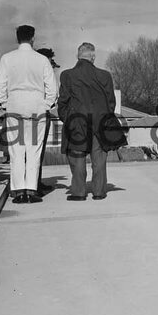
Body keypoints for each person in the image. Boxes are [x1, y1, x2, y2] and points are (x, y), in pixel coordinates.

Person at [0, 25, 57, 204]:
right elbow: (52, 88)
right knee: (34, 150)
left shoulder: (7, 58)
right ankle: (31, 189)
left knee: (16, 151)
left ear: (17, 38)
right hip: (37, 107)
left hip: (15, 107)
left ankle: (19, 190)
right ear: (33, 38)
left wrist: (5, 103)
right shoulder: (42, 60)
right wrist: (46, 104)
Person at [57, 42, 125, 201]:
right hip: (100, 121)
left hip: (76, 122)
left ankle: (79, 193)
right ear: (93, 57)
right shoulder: (105, 75)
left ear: (78, 56)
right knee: (99, 158)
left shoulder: (67, 75)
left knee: (77, 157)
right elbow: (111, 102)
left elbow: (63, 102)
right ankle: (99, 192)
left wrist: (68, 119)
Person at [34, 47, 60, 194]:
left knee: (37, 150)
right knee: (37, 150)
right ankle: (34, 184)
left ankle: (36, 181)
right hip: (41, 113)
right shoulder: (42, 74)